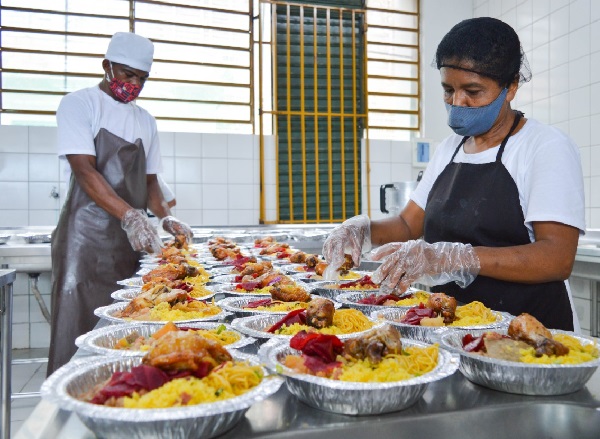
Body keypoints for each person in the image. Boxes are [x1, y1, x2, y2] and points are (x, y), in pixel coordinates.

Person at [323, 17, 585, 332]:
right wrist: (361, 229)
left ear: (511, 86)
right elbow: (408, 223)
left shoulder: (543, 147)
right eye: (449, 90)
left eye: (472, 91)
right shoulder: (450, 148)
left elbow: (557, 257)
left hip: (531, 333)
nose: (457, 102)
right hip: (454, 328)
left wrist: (456, 259)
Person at [48, 32, 193, 375]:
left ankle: (123, 395)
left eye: (142, 79)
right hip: (84, 241)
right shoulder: (79, 104)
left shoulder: (146, 120)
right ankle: (70, 401)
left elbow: (151, 184)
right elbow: (84, 170)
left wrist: (166, 219)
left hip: (131, 244)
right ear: (107, 66)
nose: (134, 84)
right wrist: (129, 215)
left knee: (130, 327)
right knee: (79, 326)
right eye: (127, 74)